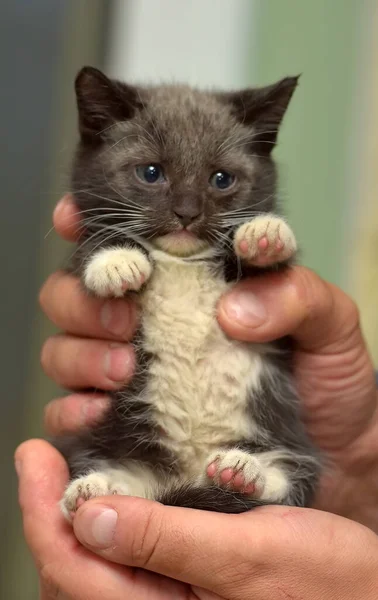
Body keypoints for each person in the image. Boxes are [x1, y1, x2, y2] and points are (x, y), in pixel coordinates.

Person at [16, 194, 378, 599]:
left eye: (220, 181)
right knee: (103, 458)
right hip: (146, 462)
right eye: (151, 175)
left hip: (252, 448)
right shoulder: (124, 241)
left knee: (280, 467)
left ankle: (258, 486)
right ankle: (121, 490)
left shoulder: (237, 253)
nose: (187, 205)